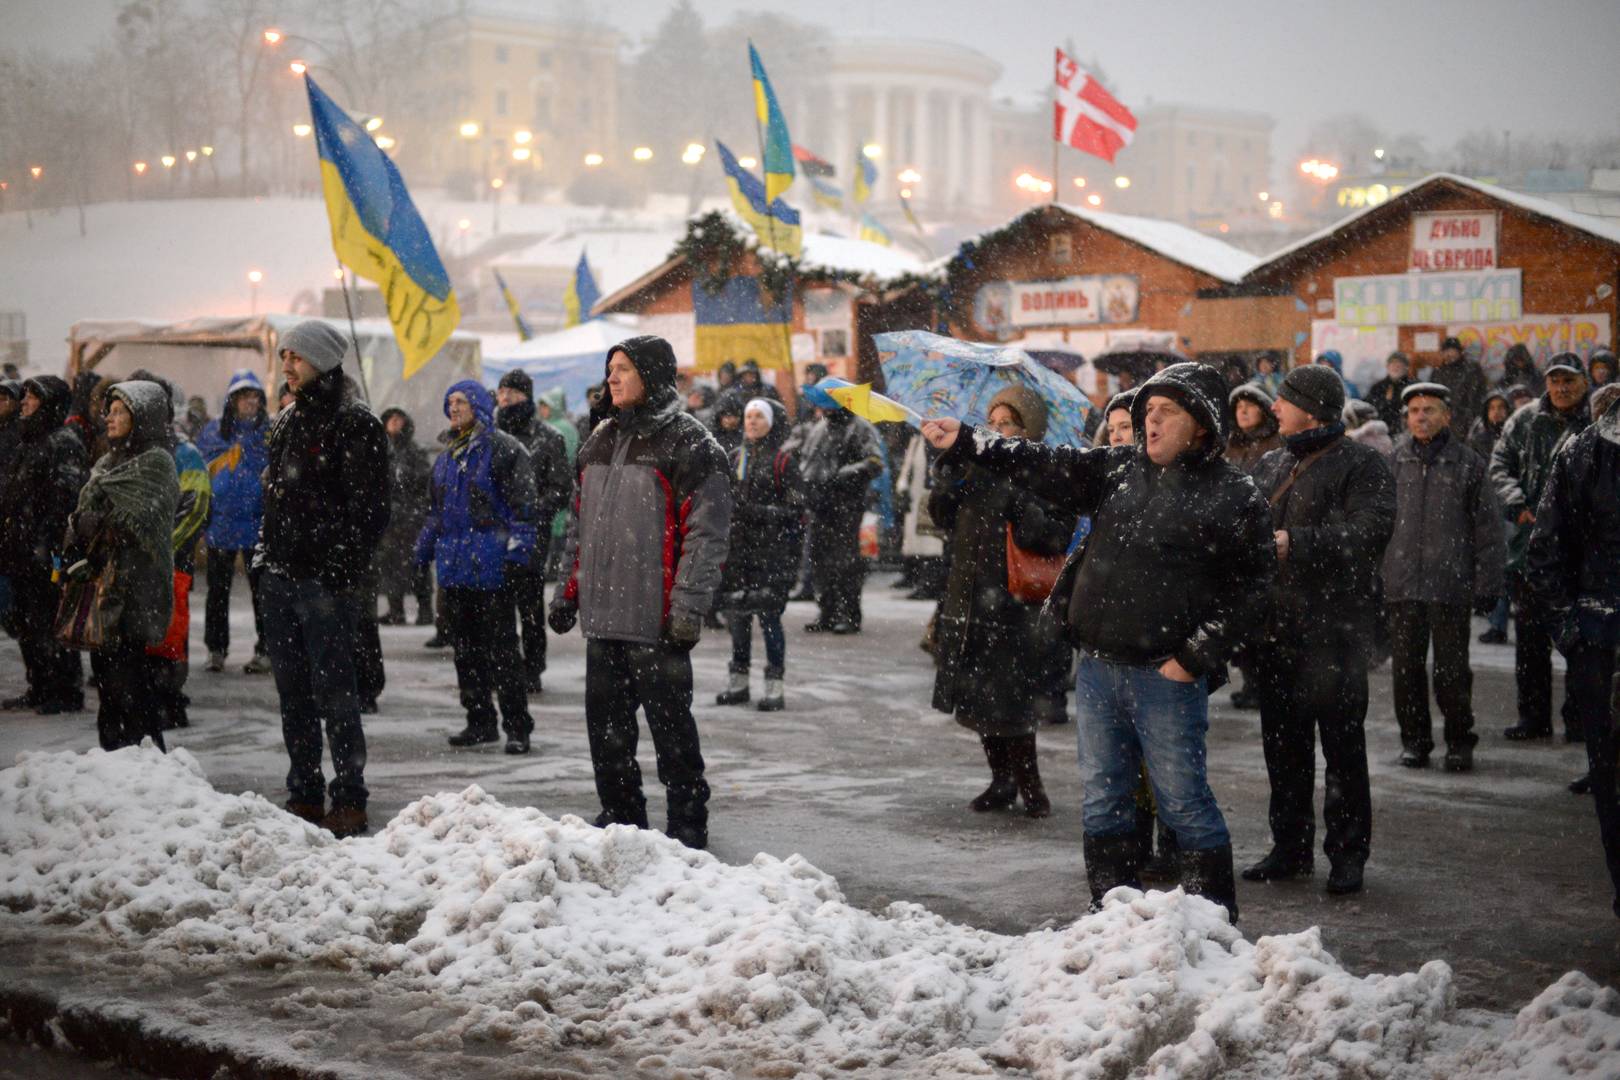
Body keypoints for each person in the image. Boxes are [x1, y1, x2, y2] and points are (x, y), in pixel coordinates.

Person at [920, 363, 1274, 924]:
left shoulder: (1233, 494)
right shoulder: (1118, 468)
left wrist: (1193, 658)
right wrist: (969, 441)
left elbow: (1253, 592)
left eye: (1166, 415)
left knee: (1183, 803)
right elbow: (1044, 462)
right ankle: (1111, 914)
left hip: (1166, 677)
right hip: (1099, 669)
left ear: (1202, 425)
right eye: (1146, 414)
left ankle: (1214, 924)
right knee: (1105, 800)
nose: (1150, 425)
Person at [548, 335, 730, 849]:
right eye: (610, 368)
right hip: (604, 616)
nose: (613, 377)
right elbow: (579, 528)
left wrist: (688, 607)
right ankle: (622, 815)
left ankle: (688, 825)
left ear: (651, 374)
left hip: (657, 617)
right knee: (607, 733)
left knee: (672, 732)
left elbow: (707, 534)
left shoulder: (691, 443)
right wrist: (568, 590)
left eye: (623, 368)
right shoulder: (598, 439)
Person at [1245, 364, 1395, 897]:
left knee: (1342, 751)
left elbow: (1370, 534)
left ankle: (1347, 855)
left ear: (1310, 407)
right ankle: (1289, 848)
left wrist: (1296, 542)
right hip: (1276, 634)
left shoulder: (1363, 465)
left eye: (1283, 400)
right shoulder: (1269, 462)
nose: (1273, 408)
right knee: (1282, 749)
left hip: (1335, 634)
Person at [255, 321, 390, 838]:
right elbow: (275, 497)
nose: (286, 365)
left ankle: (349, 794)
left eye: (296, 356)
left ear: (323, 362)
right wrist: (264, 559)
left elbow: (371, 510)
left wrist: (339, 567)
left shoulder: (355, 424)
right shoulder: (286, 420)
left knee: (337, 693)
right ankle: (305, 791)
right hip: (281, 577)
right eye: (284, 355)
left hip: (324, 586)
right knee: (293, 693)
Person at [929, 386, 1076, 819]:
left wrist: (1018, 501)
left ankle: (1032, 787)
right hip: (972, 601)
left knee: (1012, 703)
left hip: (1017, 608)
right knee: (976, 700)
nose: (996, 429)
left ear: (1028, 429)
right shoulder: (976, 466)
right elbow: (940, 516)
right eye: (991, 422)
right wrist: (950, 470)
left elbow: (1054, 536)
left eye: (1006, 422)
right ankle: (1001, 780)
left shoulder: (1049, 471)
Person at [1526, 392, 1620, 916]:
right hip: (1602, 637)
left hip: (1598, 629)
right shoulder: (1582, 453)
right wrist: (1571, 630)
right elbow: (1546, 550)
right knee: (1611, 779)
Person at [1382, 383, 1504, 772]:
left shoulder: (1468, 464)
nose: (1420, 417)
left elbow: (1488, 529)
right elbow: (1376, 525)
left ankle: (1458, 741)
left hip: (1449, 585)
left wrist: (1488, 583)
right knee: (1406, 672)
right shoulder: (1392, 462)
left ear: (1446, 416)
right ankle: (1415, 742)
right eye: (1414, 410)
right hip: (1402, 585)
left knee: (1451, 672)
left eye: (1429, 409)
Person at [417, 380, 538, 753]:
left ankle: (517, 727)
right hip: (455, 570)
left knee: (503, 653)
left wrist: (519, 554)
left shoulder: (505, 449)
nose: (453, 408)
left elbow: (524, 508)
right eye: (449, 401)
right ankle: (479, 721)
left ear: (479, 406)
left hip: (492, 568)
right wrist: (422, 551)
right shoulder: (446, 456)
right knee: (466, 653)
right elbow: (437, 513)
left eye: (461, 401)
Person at [62, 381, 180, 751]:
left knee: (131, 687)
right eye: (109, 411)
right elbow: (84, 515)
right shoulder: (106, 463)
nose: (109, 418)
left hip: (136, 592)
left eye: (119, 411)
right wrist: (82, 527)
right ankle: (114, 764)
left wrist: (91, 523)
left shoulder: (157, 463)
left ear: (141, 417)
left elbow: (132, 523)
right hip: (103, 588)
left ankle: (147, 763)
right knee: (107, 685)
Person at [1490, 354, 1591, 742]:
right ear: (1545, 383)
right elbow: (1499, 465)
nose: (1561, 388)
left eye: (1569, 381)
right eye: (1555, 381)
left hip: (1581, 555)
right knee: (1530, 642)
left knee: (1580, 644)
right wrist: (1516, 506)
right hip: (1530, 552)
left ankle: (1580, 719)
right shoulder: (1525, 419)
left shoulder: (1598, 420)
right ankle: (1533, 717)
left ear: (1583, 382)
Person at [126, 369, 211, 731]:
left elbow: (195, 506)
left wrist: (159, 547)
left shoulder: (184, 452)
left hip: (169, 563)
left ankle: (169, 700)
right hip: (131, 565)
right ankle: (143, 698)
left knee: (170, 636)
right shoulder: (124, 450)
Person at [0, 376, 87, 714]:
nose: (24, 402)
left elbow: (66, 501)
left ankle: (65, 690)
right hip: (18, 551)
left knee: (52, 620)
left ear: (50, 402)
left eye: (33, 397)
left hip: (46, 553)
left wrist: (48, 544)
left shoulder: (63, 441)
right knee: (27, 622)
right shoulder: (28, 439)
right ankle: (39, 685)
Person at [714, 398, 800, 712]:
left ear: (771, 423)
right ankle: (738, 682)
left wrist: (759, 513)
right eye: (748, 417)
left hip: (771, 554)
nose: (751, 422)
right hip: (738, 554)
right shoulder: (734, 457)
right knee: (738, 617)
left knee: (769, 619)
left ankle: (774, 687)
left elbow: (795, 509)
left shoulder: (784, 462)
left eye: (758, 417)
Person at [494, 370, 571, 693]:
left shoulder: (548, 437)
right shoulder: (490, 432)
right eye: (502, 392)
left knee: (528, 606)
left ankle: (533, 667)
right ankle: (502, 665)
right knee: (497, 606)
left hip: (529, 535)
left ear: (528, 396)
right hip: (494, 534)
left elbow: (561, 487)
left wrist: (533, 512)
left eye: (513, 392)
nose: (506, 398)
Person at [196, 369, 271, 674]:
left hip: (257, 525)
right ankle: (216, 649)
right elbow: (201, 474)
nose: (250, 401)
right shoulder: (214, 434)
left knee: (262, 594)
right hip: (221, 525)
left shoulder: (269, 433)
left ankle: (266, 649)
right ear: (233, 400)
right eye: (244, 396)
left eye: (254, 395)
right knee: (217, 593)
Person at [798, 403, 883, 634]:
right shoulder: (819, 429)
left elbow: (875, 462)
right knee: (819, 560)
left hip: (847, 504)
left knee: (846, 562)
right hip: (820, 504)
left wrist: (847, 473)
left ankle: (849, 614)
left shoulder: (861, 428)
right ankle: (827, 611)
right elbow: (807, 460)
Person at [375, 408, 433, 625]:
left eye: (398, 418)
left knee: (418, 564)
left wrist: (413, 507)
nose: (394, 423)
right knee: (390, 566)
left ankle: (425, 610)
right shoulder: (380, 451)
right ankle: (395, 610)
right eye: (390, 419)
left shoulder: (414, 451)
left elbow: (423, 481)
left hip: (411, 518)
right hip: (389, 518)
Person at [894, 430, 947, 601]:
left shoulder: (937, 441)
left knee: (931, 542)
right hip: (917, 497)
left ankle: (929, 584)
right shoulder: (917, 440)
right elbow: (908, 467)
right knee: (920, 542)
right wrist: (902, 487)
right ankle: (921, 581)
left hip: (929, 496)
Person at [1428, 337, 1488, 438]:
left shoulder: (1472, 369)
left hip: (1467, 421)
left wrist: (1471, 416)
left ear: (1459, 352)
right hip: (1443, 421)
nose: (1448, 354)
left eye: (1451, 350)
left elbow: (1477, 396)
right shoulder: (1437, 372)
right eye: (1445, 351)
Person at [1225, 384, 1282, 473]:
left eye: (1249, 405)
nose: (1243, 411)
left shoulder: (1278, 441)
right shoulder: (1230, 443)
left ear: (1263, 410)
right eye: (1239, 406)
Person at [1365, 352, 1414, 433]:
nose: (1395, 367)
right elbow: (1368, 406)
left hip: (1405, 431)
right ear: (1387, 367)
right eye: (1392, 363)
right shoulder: (1378, 387)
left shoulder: (1412, 386)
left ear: (1406, 367)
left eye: (1399, 364)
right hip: (1379, 430)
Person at [1468, 389, 1511, 462]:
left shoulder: (1514, 434)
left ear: (1507, 410)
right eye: (1492, 408)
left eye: (1500, 407)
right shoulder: (1477, 437)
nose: (1496, 411)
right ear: (1486, 412)